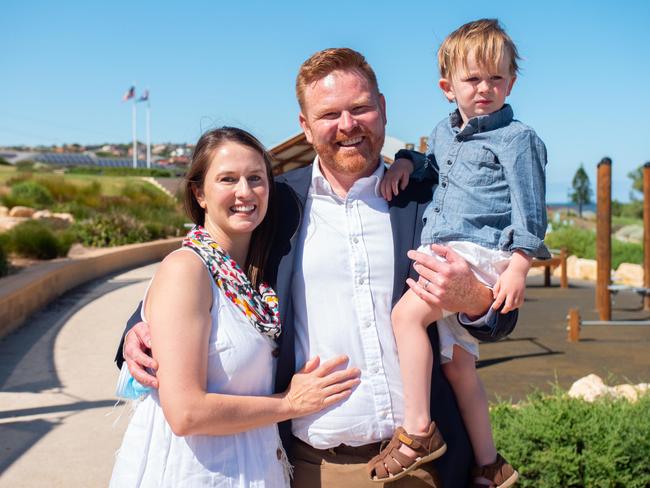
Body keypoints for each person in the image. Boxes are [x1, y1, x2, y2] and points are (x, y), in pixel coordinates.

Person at [117, 48, 519, 487]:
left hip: (423, 466)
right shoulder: (277, 204)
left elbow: (499, 309)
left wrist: (475, 300)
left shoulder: (428, 197)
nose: (348, 125)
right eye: (329, 114)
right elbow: (208, 264)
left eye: (361, 108)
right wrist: (137, 327)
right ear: (305, 126)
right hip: (316, 468)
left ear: (382, 108)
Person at [110, 127, 361, 487]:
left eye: (255, 179)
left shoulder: (254, 280)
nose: (245, 192)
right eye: (228, 179)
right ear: (199, 193)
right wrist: (290, 403)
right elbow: (185, 413)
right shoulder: (187, 270)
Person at [375, 19, 549, 487]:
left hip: (480, 251)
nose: (485, 88)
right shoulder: (445, 131)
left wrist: (519, 265)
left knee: (405, 318)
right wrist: (409, 160)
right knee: (459, 369)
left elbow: (530, 207)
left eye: (497, 78)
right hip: (453, 248)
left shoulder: (518, 139)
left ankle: (417, 431)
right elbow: (436, 168)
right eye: (473, 79)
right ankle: (490, 465)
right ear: (447, 87)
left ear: (511, 81)